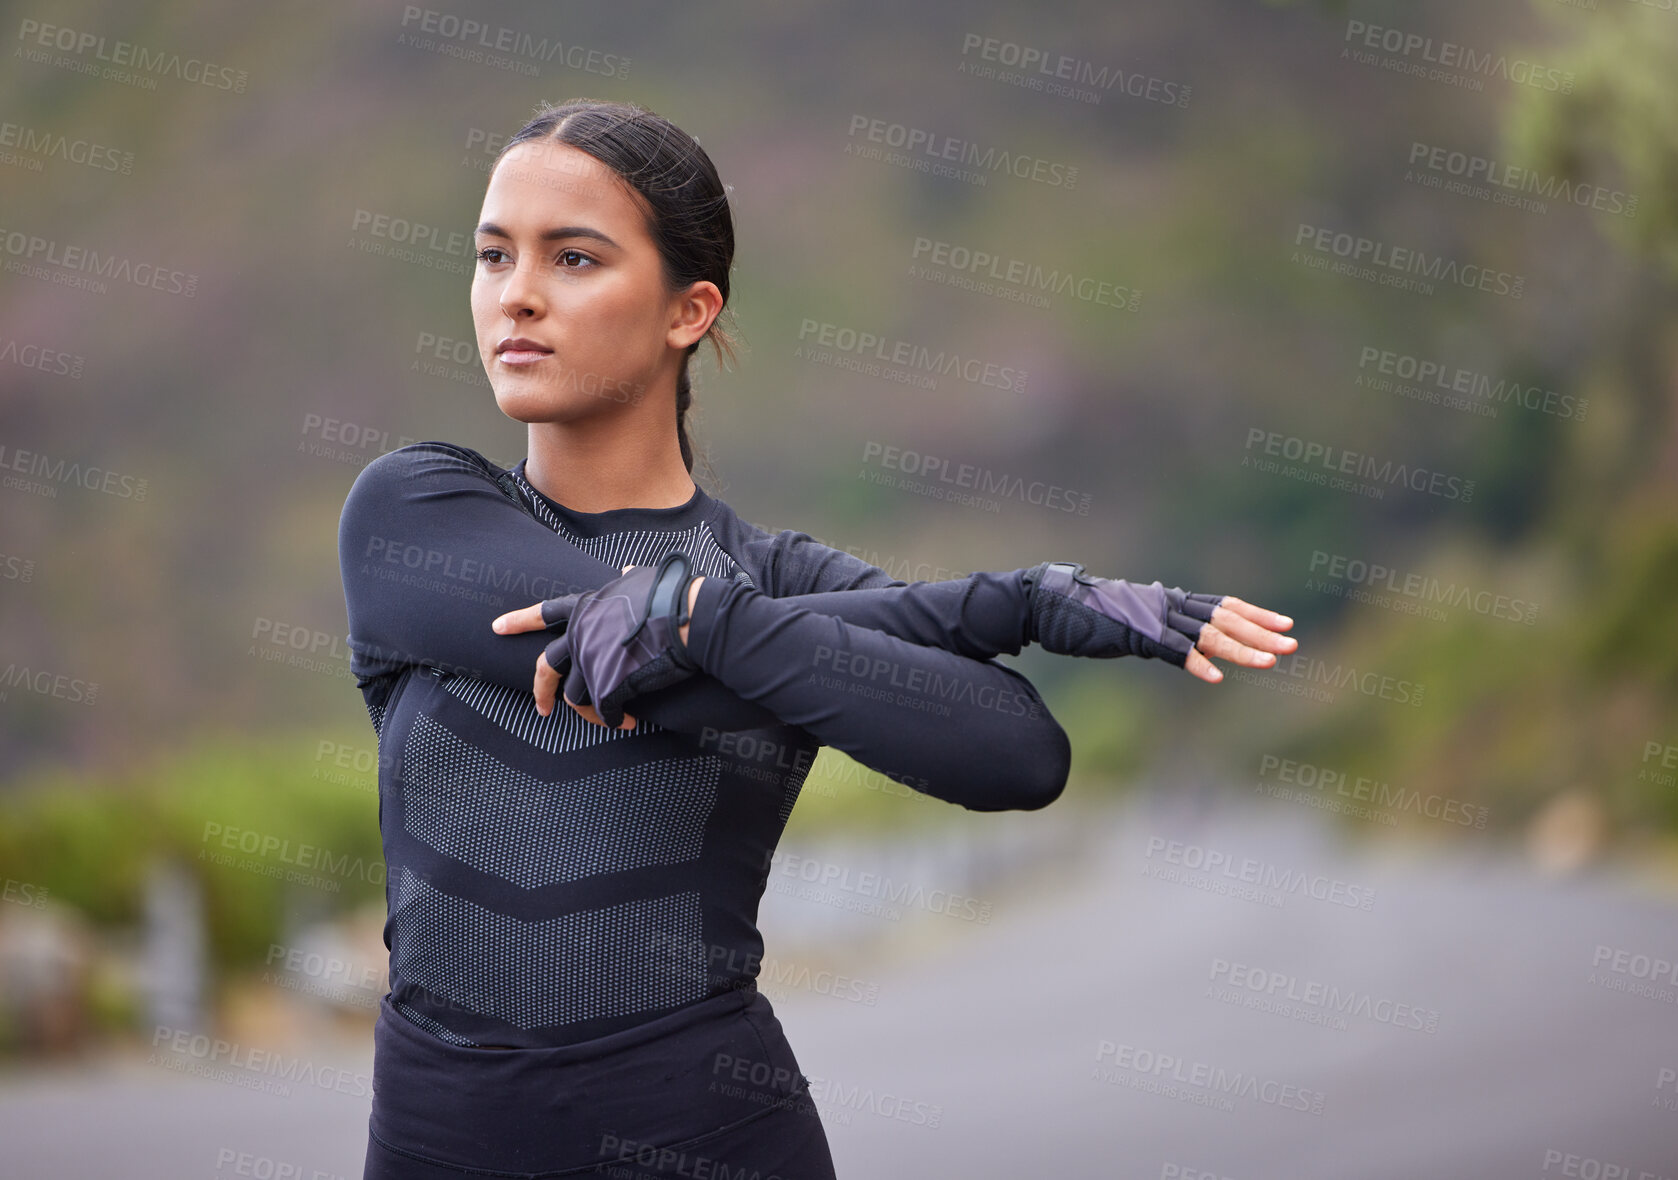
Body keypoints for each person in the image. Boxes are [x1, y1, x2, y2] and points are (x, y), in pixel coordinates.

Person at [337, 97, 1297, 1180]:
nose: (515, 294)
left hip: (712, 1131)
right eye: (491, 254)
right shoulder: (415, 517)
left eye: (572, 258)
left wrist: (711, 617)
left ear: (686, 310)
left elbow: (1017, 756)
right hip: (440, 1145)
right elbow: (630, 658)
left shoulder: (771, 579)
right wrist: (1007, 603)